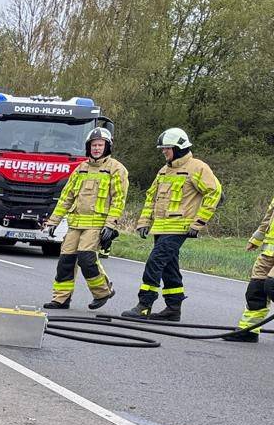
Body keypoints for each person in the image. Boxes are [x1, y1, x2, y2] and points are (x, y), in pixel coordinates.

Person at [122, 128, 221, 321]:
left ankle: (144, 305)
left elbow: (214, 193)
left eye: (167, 148)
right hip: (161, 227)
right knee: (169, 266)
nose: (164, 151)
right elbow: (151, 197)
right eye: (163, 148)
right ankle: (173, 308)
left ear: (179, 147)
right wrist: (144, 221)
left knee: (155, 262)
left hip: (179, 227)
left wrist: (198, 223)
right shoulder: (164, 170)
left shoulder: (197, 167)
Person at [42, 128, 127, 310]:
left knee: (86, 258)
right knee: (65, 261)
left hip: (97, 224)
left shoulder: (116, 169)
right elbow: (66, 198)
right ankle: (61, 299)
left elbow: (118, 200)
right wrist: (53, 221)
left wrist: (110, 225)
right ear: (88, 147)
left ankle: (102, 292)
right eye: (93, 145)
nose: (96, 148)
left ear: (107, 147)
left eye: (100, 145)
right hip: (75, 223)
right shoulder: (80, 169)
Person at [226, 197, 274, 343]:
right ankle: (249, 331)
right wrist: (256, 239)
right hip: (269, 253)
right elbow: (268, 218)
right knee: (256, 290)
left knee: (271, 286)